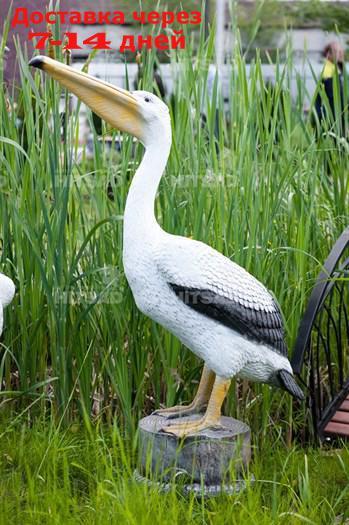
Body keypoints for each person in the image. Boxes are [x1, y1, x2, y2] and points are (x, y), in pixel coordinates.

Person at [313, 42, 346, 137]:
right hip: (332, 118)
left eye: (341, 51)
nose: (340, 53)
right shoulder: (328, 71)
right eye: (336, 51)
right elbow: (335, 98)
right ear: (329, 55)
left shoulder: (338, 68)